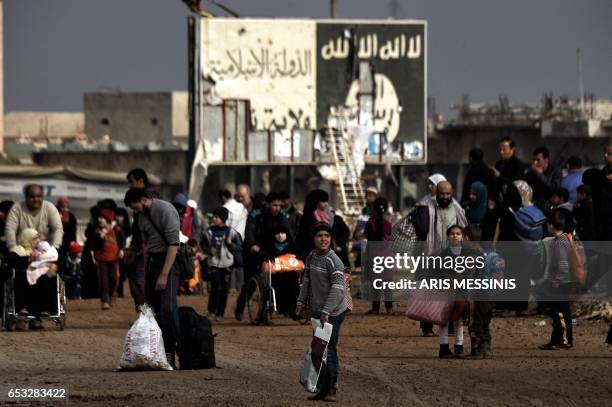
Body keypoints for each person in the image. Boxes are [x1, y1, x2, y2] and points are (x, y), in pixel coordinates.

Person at [124, 187, 180, 368]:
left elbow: (173, 244)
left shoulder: (165, 210)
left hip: (169, 262)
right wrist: (132, 253)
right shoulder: (140, 217)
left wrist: (164, 274)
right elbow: (141, 240)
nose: (134, 210)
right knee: (151, 310)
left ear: (143, 199)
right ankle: (155, 354)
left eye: (134, 205)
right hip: (152, 262)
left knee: (166, 310)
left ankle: (170, 354)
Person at [296, 222, 348, 402]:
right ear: (314, 239)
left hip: (334, 311)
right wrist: (301, 302)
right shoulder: (311, 257)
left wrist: (326, 310)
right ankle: (323, 387)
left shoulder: (334, 261)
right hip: (318, 311)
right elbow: (307, 281)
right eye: (319, 236)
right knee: (319, 349)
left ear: (331, 239)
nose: (323, 239)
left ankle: (331, 388)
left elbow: (338, 289)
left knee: (329, 348)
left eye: (327, 236)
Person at [4, 184, 63, 329]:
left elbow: (57, 229)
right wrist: (14, 250)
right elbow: (10, 230)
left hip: (45, 252)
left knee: (48, 275)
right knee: (20, 273)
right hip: (23, 250)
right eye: (32, 196)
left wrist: (53, 250)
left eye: (38, 196)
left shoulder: (49, 208)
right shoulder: (17, 209)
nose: (35, 199)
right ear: (26, 197)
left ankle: (42, 312)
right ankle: (22, 312)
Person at [415, 181, 467, 336]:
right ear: (436, 193)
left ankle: (450, 324)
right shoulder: (427, 207)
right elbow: (421, 230)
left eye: (448, 194)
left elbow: (463, 229)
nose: (445, 197)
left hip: (451, 256)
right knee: (428, 292)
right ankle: (427, 326)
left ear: (452, 193)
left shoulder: (457, 209)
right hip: (431, 255)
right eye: (442, 194)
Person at [235, 192, 291, 320]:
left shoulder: (282, 216)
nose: (277, 208)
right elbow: (249, 232)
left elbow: (288, 232)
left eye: (279, 205)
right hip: (253, 251)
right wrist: (253, 244)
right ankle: (240, 307)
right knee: (251, 281)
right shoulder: (256, 215)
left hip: (272, 251)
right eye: (274, 205)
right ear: (267, 204)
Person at [463, 225, 503, 359]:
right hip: (490, 295)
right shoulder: (493, 255)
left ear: (467, 238)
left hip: (477, 294)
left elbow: (468, 276)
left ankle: (477, 350)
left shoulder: (472, 255)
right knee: (485, 322)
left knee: (475, 323)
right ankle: (485, 347)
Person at [7, 228, 59, 330]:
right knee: (21, 280)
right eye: (34, 238)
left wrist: (54, 266)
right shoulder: (18, 250)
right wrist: (29, 259)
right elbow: (12, 261)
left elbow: (53, 258)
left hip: (39, 279)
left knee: (49, 279)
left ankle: (43, 312)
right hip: (23, 279)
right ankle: (23, 310)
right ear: (27, 239)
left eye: (38, 238)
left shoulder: (42, 250)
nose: (38, 240)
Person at [539, 210, 574, 350]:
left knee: (560, 314)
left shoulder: (559, 243)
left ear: (551, 225)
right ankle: (555, 340)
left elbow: (564, 266)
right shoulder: (565, 238)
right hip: (563, 282)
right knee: (558, 313)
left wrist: (555, 282)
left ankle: (565, 340)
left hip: (561, 284)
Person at [203, 207, 242, 321]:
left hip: (227, 264)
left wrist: (230, 244)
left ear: (223, 219)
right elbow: (202, 244)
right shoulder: (208, 232)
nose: (213, 218)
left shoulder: (231, 232)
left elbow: (239, 247)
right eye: (213, 216)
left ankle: (220, 313)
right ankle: (211, 311)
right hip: (214, 264)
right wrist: (209, 250)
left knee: (224, 289)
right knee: (215, 287)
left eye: (216, 217)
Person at [436, 225, 467, 359]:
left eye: (458, 233)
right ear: (448, 237)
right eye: (452, 233)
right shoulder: (442, 254)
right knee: (443, 320)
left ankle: (459, 347)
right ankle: (443, 348)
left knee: (459, 320)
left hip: (461, 291)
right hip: (445, 291)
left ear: (462, 237)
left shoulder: (466, 254)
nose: (455, 235)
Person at [364, 197, 393, 315]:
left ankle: (375, 308)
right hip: (387, 255)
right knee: (387, 283)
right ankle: (389, 308)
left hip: (374, 254)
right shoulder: (388, 223)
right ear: (386, 208)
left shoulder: (370, 223)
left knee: (375, 283)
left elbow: (367, 237)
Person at [90, 209, 120, 310]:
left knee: (113, 278)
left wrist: (122, 250)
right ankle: (105, 301)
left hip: (113, 258)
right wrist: (100, 237)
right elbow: (94, 246)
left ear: (107, 220)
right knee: (104, 280)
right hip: (102, 258)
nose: (100, 220)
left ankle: (111, 295)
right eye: (99, 218)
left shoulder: (116, 230)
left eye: (102, 218)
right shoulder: (97, 231)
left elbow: (122, 241)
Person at [523, 147, 562, 212]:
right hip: (534, 205)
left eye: (538, 160)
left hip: (549, 206)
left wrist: (540, 175)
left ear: (546, 160)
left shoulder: (555, 170)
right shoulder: (531, 171)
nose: (535, 163)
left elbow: (554, 189)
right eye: (534, 160)